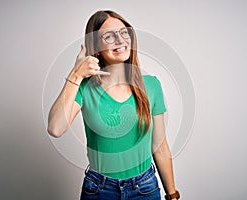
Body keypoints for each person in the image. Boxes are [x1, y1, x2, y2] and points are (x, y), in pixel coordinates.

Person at [47, 10, 180, 200]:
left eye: (123, 32)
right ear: (96, 47)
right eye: (109, 36)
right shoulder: (85, 87)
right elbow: (55, 128)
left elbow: (160, 147)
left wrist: (172, 195)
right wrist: (76, 74)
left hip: (145, 188)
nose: (119, 39)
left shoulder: (151, 85)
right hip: (100, 190)